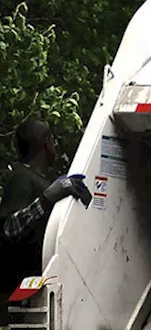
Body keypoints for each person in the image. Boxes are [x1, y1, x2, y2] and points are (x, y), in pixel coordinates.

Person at [1, 119, 91, 298]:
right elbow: (8, 229)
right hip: (19, 294)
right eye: (53, 139)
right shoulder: (21, 177)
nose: (55, 144)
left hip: (37, 289)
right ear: (46, 142)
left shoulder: (40, 180)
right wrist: (48, 198)